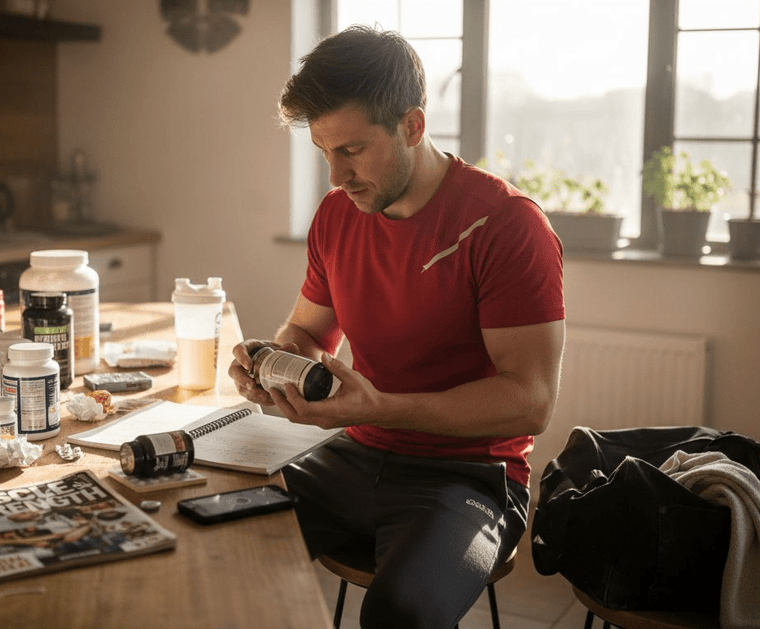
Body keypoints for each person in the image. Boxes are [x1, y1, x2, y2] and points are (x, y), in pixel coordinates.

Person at [228, 25, 565, 628]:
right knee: (208, 534)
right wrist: (273, 366)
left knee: (400, 614)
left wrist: (377, 407)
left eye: (352, 151)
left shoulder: (507, 226)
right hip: (352, 456)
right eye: (324, 152)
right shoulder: (339, 214)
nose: (336, 177)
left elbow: (529, 402)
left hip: (470, 478)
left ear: (412, 126)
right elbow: (307, 334)